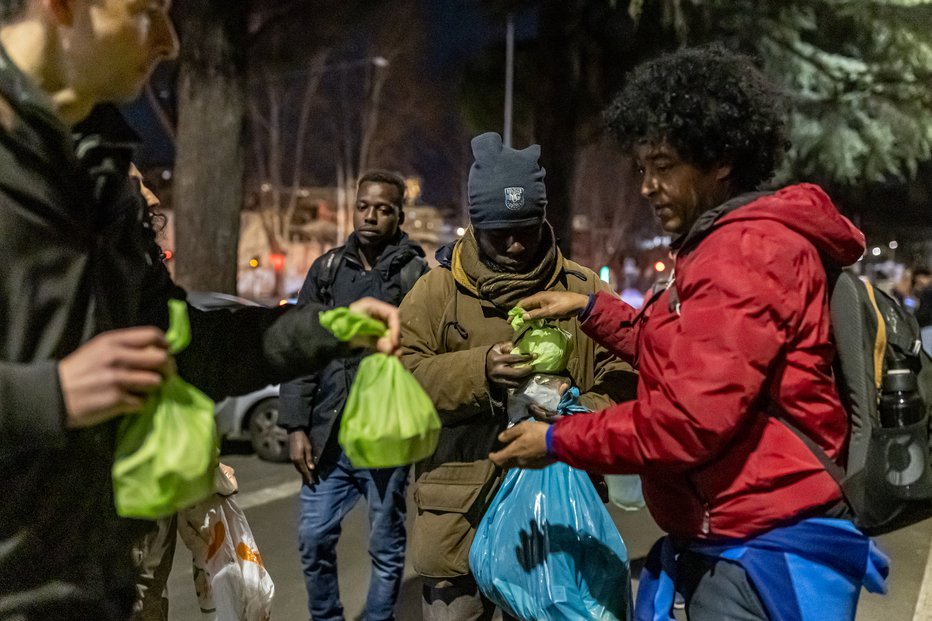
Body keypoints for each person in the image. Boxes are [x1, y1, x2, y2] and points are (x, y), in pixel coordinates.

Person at [0, 2, 400, 620]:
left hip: (92, 589)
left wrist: (334, 329)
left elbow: (189, 347)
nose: (170, 42)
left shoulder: (101, 181)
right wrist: (48, 395)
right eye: (147, 11)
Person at [490, 46, 888, 620]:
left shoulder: (744, 253)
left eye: (665, 165)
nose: (648, 186)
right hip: (743, 535)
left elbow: (689, 420)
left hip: (764, 547)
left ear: (721, 159)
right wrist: (589, 308)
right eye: (642, 168)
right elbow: (685, 351)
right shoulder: (730, 243)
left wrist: (554, 443)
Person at [398, 131, 637, 621]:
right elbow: (394, 383)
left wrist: (581, 413)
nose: (515, 244)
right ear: (474, 223)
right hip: (457, 525)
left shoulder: (583, 289)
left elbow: (626, 377)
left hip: (556, 524)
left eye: (526, 228)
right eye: (498, 231)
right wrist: (479, 371)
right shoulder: (437, 293)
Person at [279, 169, 428, 621]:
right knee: (313, 537)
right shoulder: (326, 270)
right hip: (329, 438)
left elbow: (425, 352)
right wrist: (295, 425)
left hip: (385, 437)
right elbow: (301, 350)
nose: (371, 217)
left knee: (385, 544)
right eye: (364, 206)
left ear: (399, 215)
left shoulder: (415, 274)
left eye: (383, 209)